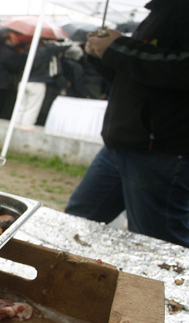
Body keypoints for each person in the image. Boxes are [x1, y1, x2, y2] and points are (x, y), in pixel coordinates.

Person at [65, 0, 189, 248]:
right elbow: (133, 79)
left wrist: (119, 47)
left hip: (161, 150)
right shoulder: (161, 11)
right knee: (76, 221)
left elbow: (180, 69)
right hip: (121, 143)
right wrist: (100, 55)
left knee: (157, 244)